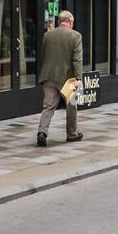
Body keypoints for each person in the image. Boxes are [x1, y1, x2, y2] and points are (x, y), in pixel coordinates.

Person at [36, 9, 83, 147]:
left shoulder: (47, 36)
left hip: (49, 75)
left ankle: (42, 133)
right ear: (70, 21)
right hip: (67, 78)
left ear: (59, 21)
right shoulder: (75, 36)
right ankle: (72, 134)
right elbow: (77, 59)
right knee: (71, 105)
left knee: (48, 106)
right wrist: (78, 78)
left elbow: (43, 56)